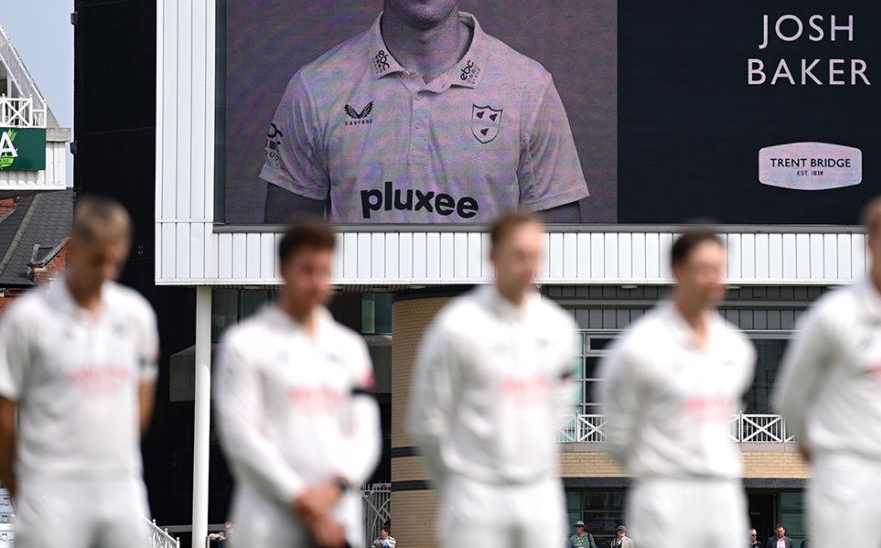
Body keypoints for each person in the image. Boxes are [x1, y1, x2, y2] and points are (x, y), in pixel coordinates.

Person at [261, 0, 588, 224]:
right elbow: (285, 251)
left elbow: (561, 254)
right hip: (360, 284)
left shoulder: (529, 88)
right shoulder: (316, 88)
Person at [408, 212, 580, 548]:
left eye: (535, 255)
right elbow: (427, 421)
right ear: (493, 256)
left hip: (539, 493)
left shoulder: (559, 327)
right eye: (518, 254)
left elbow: (561, 404)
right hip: (475, 496)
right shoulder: (455, 326)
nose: (528, 264)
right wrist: (458, 483)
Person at [773, 195, 881, 548]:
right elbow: (790, 396)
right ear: (871, 244)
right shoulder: (833, 315)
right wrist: (814, 446)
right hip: (845, 474)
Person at [0, 197, 159, 548]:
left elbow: (141, 401)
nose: (105, 272)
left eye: (114, 262)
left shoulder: (137, 316)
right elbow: (4, 418)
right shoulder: (27, 319)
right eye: (96, 260)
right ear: (76, 248)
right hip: (49, 492)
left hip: (120, 491)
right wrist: (20, 491)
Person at [215, 221, 381, 548]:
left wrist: (336, 489)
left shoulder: (350, 347)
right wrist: (301, 498)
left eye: (325, 271)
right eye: (307, 270)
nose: (317, 282)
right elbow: (240, 436)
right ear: (283, 270)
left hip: (338, 519)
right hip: (269, 522)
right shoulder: (244, 343)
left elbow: (365, 432)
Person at [600, 230, 756, 548]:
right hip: (664, 498)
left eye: (719, 269)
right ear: (678, 270)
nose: (714, 279)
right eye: (704, 268)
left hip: (723, 496)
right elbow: (617, 435)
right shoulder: (639, 346)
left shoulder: (736, 348)